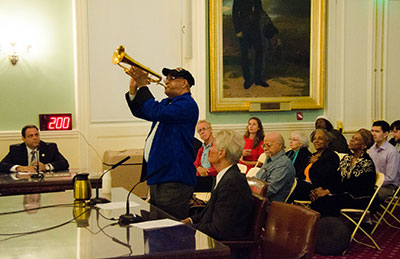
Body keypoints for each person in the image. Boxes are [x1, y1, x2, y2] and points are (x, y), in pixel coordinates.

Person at [125, 66, 199, 220]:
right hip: (160, 175)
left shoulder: (187, 105)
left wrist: (144, 85)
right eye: (166, 78)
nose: (166, 81)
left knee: (169, 230)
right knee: (157, 228)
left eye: (172, 78)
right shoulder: (167, 103)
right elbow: (142, 111)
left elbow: (155, 111)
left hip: (174, 178)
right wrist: (134, 90)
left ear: (185, 83)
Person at [182, 129, 253, 242]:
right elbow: (210, 213)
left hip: (225, 249)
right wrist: (189, 220)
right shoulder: (225, 176)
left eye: (213, 146)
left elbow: (218, 230)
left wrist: (186, 229)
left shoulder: (232, 183)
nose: (210, 149)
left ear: (222, 153)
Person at [310, 129, 376, 217]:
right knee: (318, 199)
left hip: (360, 198)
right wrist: (322, 189)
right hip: (345, 193)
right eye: (352, 137)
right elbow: (336, 178)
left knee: (325, 201)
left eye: (356, 139)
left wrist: (328, 191)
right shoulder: (347, 158)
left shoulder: (366, 163)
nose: (351, 140)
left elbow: (353, 186)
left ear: (364, 146)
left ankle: (328, 227)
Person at [290, 128, 340, 202]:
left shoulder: (332, 156)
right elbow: (300, 174)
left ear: (327, 141)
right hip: (304, 185)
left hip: (317, 188)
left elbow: (327, 176)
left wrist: (317, 162)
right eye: (314, 139)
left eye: (320, 139)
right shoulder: (311, 156)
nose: (316, 141)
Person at [0, 125, 69, 175]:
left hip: (44, 182)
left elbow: (64, 163)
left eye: (36, 135)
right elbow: (2, 165)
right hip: (23, 183)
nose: (35, 138)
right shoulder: (16, 150)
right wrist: (19, 168)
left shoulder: (50, 148)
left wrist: (46, 167)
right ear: (23, 138)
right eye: (31, 136)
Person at [232, 0, 269, 89]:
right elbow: (235, 14)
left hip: (256, 29)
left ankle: (258, 79)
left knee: (259, 52)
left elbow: (259, 10)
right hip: (244, 29)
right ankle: (247, 79)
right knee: (245, 54)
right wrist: (238, 30)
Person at [255, 132, 295, 202]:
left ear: (279, 146)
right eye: (264, 146)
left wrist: (248, 191)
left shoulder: (283, 164)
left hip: (269, 206)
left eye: (269, 145)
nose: (265, 148)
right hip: (259, 200)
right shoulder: (269, 159)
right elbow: (257, 179)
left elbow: (268, 190)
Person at [369, 120, 400, 201]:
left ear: (385, 134)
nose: (373, 134)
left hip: (388, 187)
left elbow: (390, 178)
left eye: (377, 131)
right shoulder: (372, 149)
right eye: (372, 131)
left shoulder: (392, 151)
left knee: (365, 192)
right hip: (373, 184)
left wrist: (372, 183)